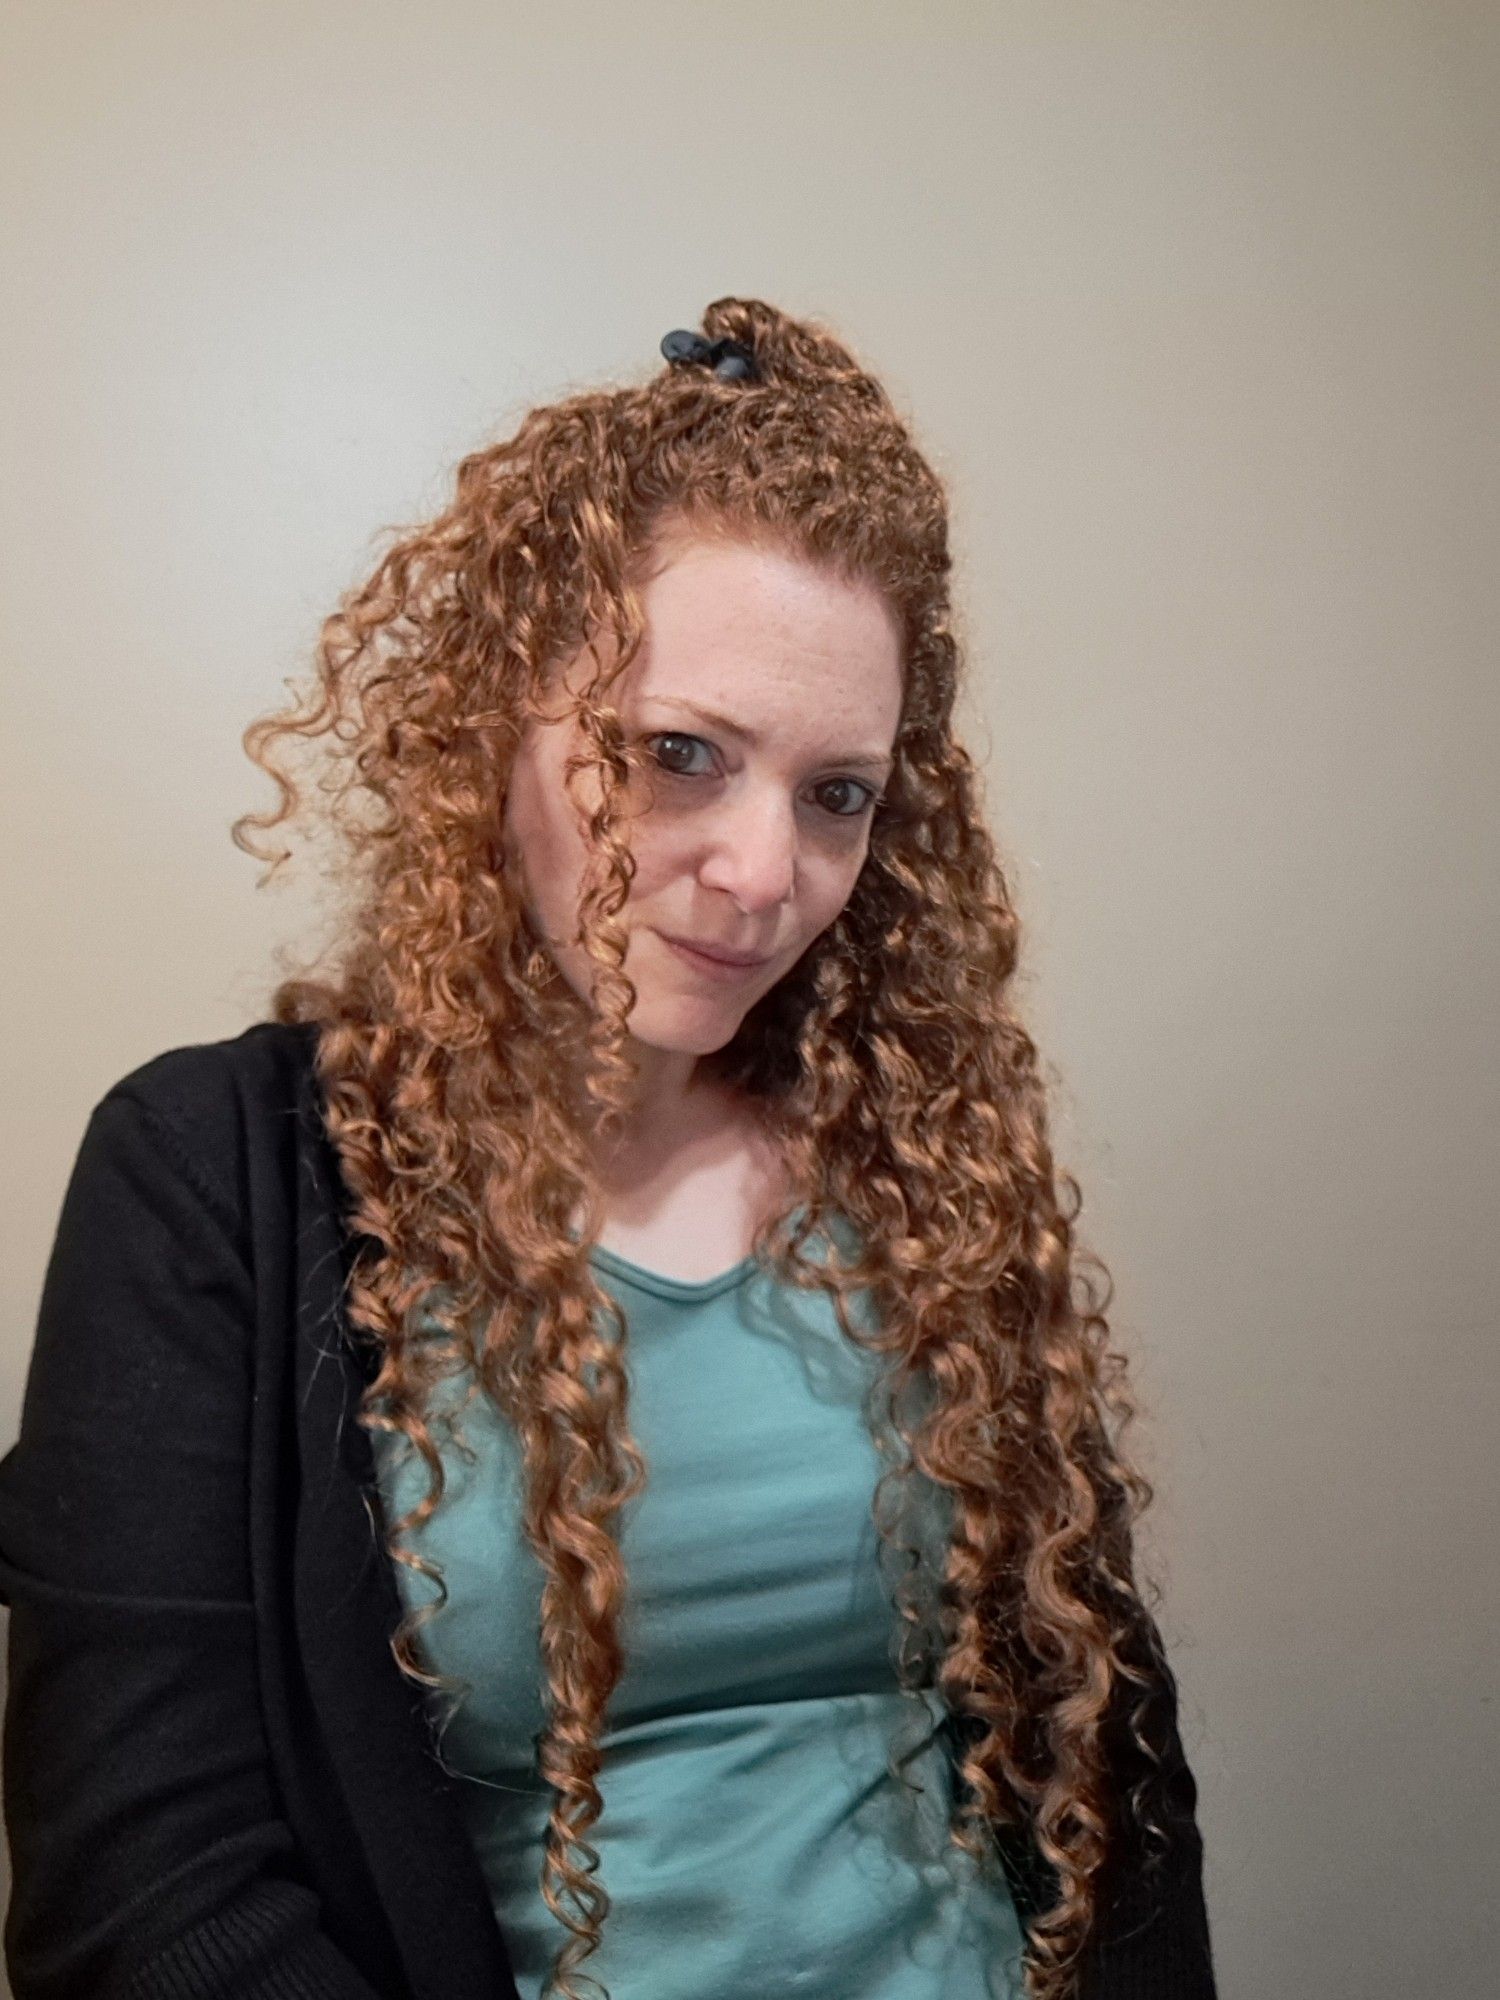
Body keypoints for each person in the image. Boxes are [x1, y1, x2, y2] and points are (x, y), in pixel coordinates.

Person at [0, 298, 1216, 2000]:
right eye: (675, 758)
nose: (758, 869)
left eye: (836, 794)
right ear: (495, 726)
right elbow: (149, 1909)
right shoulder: (215, 1178)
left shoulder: (931, 1170)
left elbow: (1119, 1786)